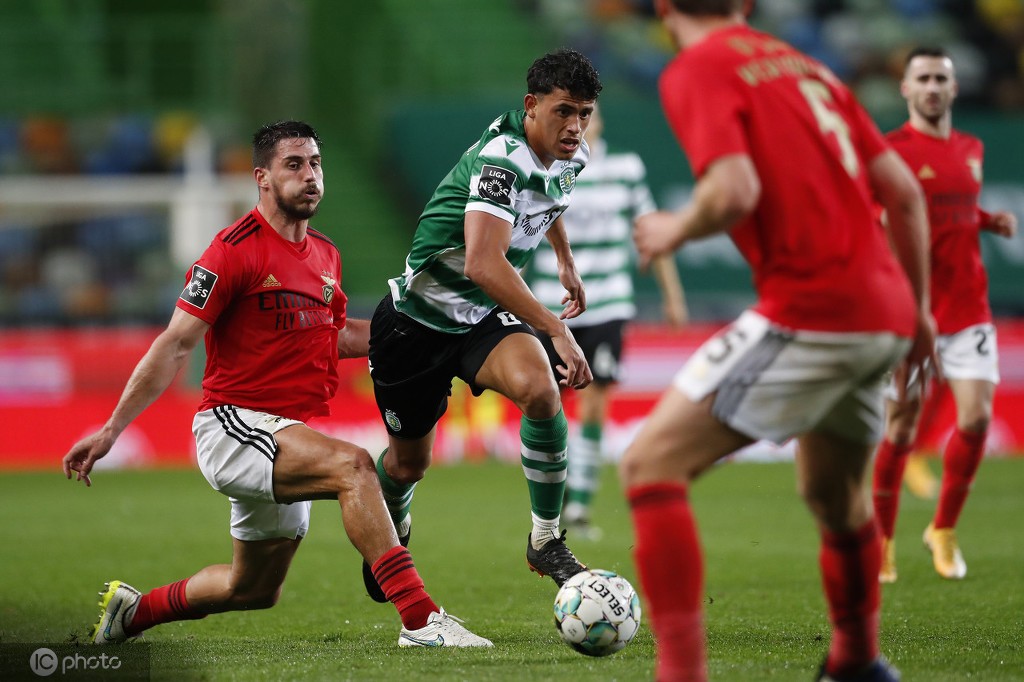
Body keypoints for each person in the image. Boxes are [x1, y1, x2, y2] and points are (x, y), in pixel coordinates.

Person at [62, 120, 491, 648]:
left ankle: (131, 613)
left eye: (315, 163)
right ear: (262, 177)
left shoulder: (326, 254)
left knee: (253, 588)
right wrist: (111, 430)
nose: (310, 176)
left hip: (283, 431)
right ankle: (421, 620)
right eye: (294, 165)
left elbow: (335, 336)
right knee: (355, 466)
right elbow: (175, 344)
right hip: (231, 426)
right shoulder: (231, 251)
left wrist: (428, 336)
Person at [618, 2, 937, 681]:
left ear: (664, 7)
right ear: (745, 4)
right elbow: (905, 193)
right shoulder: (808, 68)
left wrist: (676, 227)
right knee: (833, 494)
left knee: (650, 465)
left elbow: (734, 190)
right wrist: (920, 315)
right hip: (883, 311)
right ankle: (856, 662)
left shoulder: (698, 67)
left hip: (813, 308)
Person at [361, 48, 602, 602]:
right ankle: (392, 523)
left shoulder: (572, 154)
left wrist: (564, 258)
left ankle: (546, 539)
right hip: (416, 323)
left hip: (479, 316)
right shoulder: (501, 160)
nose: (575, 127)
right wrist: (557, 328)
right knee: (408, 463)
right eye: (564, 111)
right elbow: (483, 264)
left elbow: (548, 199)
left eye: (584, 113)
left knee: (541, 389)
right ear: (531, 105)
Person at [872, 47, 1018, 583]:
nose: (932, 87)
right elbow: (878, 215)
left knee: (976, 419)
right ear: (906, 89)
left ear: (954, 89)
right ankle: (883, 541)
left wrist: (986, 220)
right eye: (923, 79)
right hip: (911, 313)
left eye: (941, 78)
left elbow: (948, 206)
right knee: (901, 429)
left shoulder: (972, 147)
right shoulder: (890, 151)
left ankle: (943, 528)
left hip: (968, 308)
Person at [529, 101, 687, 540]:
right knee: (547, 401)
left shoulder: (625, 168)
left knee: (596, 400)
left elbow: (651, 231)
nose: (581, 125)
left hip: (608, 302)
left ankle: (580, 504)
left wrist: (673, 297)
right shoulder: (543, 168)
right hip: (551, 305)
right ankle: (554, 500)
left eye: (589, 115)